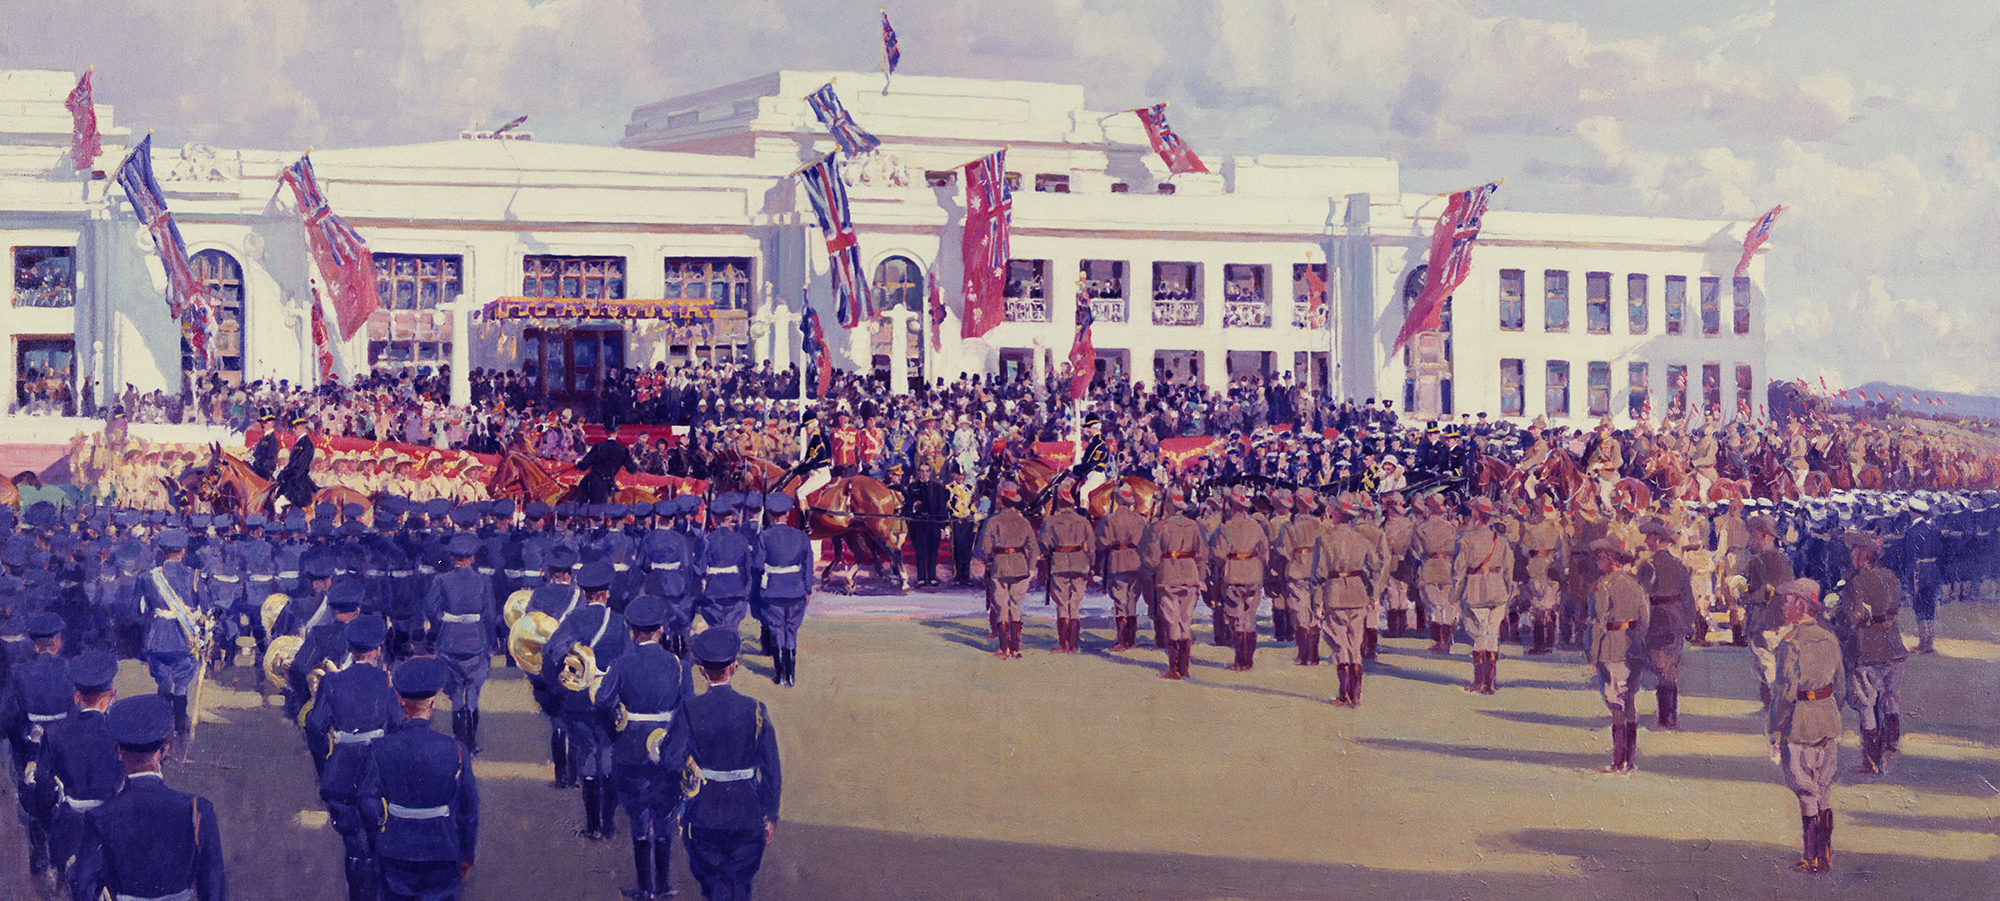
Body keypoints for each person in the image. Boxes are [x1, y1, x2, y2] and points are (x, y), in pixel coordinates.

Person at [68, 695, 226, 901]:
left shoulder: (101, 817)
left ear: (119, 752)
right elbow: (213, 885)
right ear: (165, 750)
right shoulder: (197, 809)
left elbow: (83, 887)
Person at [594, 596, 690, 901]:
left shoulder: (622, 664)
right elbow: (686, 711)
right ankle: (664, 886)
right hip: (666, 752)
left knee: (637, 819)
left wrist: (616, 731)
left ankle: (645, 888)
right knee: (664, 818)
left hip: (629, 749)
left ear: (632, 631)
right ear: (661, 630)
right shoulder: (679, 666)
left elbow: (601, 702)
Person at [361, 656, 480, 901]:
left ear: (399, 701)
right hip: (442, 850)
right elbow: (469, 811)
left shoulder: (380, 748)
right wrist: (467, 854)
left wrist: (377, 841)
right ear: (433, 703)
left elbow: (367, 800)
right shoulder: (455, 749)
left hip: (394, 847)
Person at [301, 615, 399, 901]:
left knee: (351, 845)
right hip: (377, 773)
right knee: (376, 840)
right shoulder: (386, 681)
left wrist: (325, 764)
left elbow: (314, 726)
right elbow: (396, 725)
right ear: (378, 649)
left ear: (350, 649)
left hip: (341, 769)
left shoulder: (332, 682)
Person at [681, 628, 782, 901]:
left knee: (712, 886)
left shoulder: (688, 709)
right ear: (734, 667)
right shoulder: (755, 709)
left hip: (703, 811)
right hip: (747, 811)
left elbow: (671, 760)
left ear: (702, 671)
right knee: (741, 886)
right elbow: (771, 770)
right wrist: (770, 814)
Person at [543, 561, 633, 841]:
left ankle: (592, 825)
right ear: (606, 592)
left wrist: (560, 688)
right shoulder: (619, 622)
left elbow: (551, 653)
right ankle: (609, 824)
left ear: (582, 592)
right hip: (609, 699)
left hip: (578, 700)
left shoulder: (573, 621)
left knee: (586, 759)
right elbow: (629, 663)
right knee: (608, 755)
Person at [1770, 579, 1845, 873]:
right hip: (1827, 721)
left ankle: (1810, 856)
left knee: (1805, 792)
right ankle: (1825, 854)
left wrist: (1776, 730)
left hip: (1799, 723)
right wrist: (1828, 709)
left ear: (1800, 605)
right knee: (1823, 789)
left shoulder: (1791, 644)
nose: (1783, 605)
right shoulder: (1830, 639)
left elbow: (1785, 692)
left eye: (1787, 600)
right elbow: (1840, 686)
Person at [5, 613, 73, 884]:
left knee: (33, 802)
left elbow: (8, 715)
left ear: (34, 645)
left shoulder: (18, 672)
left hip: (29, 748)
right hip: (64, 747)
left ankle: (40, 856)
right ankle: (61, 857)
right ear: (57, 642)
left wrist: (21, 739)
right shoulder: (71, 670)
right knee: (63, 797)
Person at [1835, 532, 1905, 774]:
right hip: (1892, 646)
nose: (1851, 555)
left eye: (1854, 551)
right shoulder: (1890, 577)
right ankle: (1891, 740)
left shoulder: (1856, 581)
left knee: (1866, 703)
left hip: (1866, 648)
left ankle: (1872, 760)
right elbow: (1894, 608)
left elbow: (1854, 616)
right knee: (1888, 696)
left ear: (1863, 555)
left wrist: (1837, 613)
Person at [426, 533, 498, 754]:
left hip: (449, 641)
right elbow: (490, 614)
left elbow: (430, 609)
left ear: (452, 557)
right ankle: (471, 743)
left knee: (456, 695)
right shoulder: (483, 581)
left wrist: (444, 622)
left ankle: (459, 742)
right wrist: (491, 643)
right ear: (472, 557)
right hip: (476, 641)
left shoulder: (441, 580)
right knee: (473, 696)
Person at [137, 527, 204, 756]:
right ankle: (179, 723)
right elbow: (204, 607)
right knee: (183, 681)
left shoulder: (147, 577)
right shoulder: (194, 576)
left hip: (158, 638)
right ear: (183, 551)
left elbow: (139, 610)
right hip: (184, 638)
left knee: (163, 681)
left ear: (162, 551)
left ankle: (165, 723)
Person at [1586, 538, 1647, 773]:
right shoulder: (1636, 585)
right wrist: (1637, 641)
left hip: (1610, 648)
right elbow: (1645, 618)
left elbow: (1597, 622)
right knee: (1629, 699)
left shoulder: (1603, 586)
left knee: (1614, 703)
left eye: (1600, 557)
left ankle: (1618, 760)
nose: (1598, 562)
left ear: (1610, 559)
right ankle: (1629, 760)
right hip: (1632, 647)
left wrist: (1592, 655)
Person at [1313, 495, 1377, 706]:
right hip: (1358, 595)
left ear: (1338, 514)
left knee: (1340, 645)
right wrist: (1372, 594)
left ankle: (1344, 694)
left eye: (1333, 510)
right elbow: (1375, 568)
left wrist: (1317, 602)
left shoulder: (1324, 540)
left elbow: (1319, 574)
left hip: (1335, 594)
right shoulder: (1363, 540)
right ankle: (1356, 695)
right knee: (1355, 644)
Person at [1637, 518, 1696, 730]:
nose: (1646, 540)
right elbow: (1689, 599)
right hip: (1676, 620)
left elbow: (1639, 597)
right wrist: (1689, 624)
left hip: (1656, 620)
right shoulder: (1679, 566)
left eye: (1649, 536)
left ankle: (1667, 715)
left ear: (1657, 538)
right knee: (1669, 667)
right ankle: (1669, 714)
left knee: (1662, 669)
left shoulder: (1646, 566)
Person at [1453, 497, 1514, 694]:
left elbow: (1459, 572)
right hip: (1498, 592)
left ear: (1476, 515)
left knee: (1479, 637)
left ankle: (1479, 682)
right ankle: (1491, 683)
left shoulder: (1465, 540)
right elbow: (1509, 571)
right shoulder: (1502, 541)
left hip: (1475, 591)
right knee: (1492, 636)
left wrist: (1455, 597)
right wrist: (1508, 591)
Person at [752, 493, 814, 686]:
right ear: (787, 514)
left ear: (770, 515)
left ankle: (780, 675)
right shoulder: (801, 537)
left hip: (773, 590)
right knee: (792, 631)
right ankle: (791, 675)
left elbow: (757, 566)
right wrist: (808, 589)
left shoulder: (763, 536)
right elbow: (808, 566)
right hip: (796, 590)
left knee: (777, 629)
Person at [1142, 489, 1203, 680]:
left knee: (1171, 621)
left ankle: (1174, 669)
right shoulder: (1193, 525)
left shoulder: (1161, 526)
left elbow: (1152, 557)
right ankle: (1184, 667)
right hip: (1190, 575)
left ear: (1168, 505)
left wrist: (1149, 569)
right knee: (1185, 621)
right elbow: (1201, 553)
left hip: (1168, 575)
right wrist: (1200, 576)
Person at [974, 483, 1039, 659]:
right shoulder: (1023, 521)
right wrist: (1031, 567)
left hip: (999, 566)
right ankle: (1016, 649)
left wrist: (989, 561)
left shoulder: (993, 521)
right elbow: (1034, 548)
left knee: (1001, 607)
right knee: (1015, 607)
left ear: (1001, 500)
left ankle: (1004, 649)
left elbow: (984, 547)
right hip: (1020, 566)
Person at [1211, 488, 1268, 671]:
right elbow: (1265, 551)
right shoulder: (1256, 526)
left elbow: (1219, 555)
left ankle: (1240, 660)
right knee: (1249, 618)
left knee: (1236, 618)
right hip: (1253, 574)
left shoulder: (1225, 527)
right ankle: (1247, 661)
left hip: (1234, 574)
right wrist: (1258, 565)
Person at [1040, 487, 1095, 654]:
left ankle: (1063, 644)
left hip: (1059, 563)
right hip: (1080, 564)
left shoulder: (1050, 521)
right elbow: (1091, 547)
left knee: (1062, 605)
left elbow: (1043, 543)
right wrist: (1091, 565)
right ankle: (1073, 645)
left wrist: (1048, 552)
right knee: (1075, 605)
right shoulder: (1083, 521)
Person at [1096, 484, 1148, 652]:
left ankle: (1122, 640)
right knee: (1132, 600)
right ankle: (1131, 640)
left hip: (1117, 561)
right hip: (1136, 561)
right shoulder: (1140, 519)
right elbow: (1145, 542)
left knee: (1120, 601)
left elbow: (1102, 542)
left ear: (1117, 499)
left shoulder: (1109, 519)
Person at [903, 463, 947, 588]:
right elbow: (907, 506)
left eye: (927, 471)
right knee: (920, 552)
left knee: (933, 551)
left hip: (933, 524)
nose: (924, 473)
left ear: (930, 472)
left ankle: (932, 577)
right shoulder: (912, 487)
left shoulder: (938, 487)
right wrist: (913, 506)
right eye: (921, 471)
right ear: (918, 472)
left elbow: (942, 508)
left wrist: (943, 527)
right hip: (918, 525)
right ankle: (921, 578)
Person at [276, 414, 319, 514]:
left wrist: (285, 474)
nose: (294, 430)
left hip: (299, 483)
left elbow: (300, 468)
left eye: (296, 427)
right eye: (293, 428)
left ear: (303, 426)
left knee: (278, 504)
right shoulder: (299, 443)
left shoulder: (306, 444)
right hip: (293, 480)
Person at [946, 468, 979, 587]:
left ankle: (966, 576)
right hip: (956, 520)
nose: (960, 477)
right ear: (953, 474)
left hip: (968, 521)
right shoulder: (949, 488)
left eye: (962, 475)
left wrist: (971, 511)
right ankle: (957, 576)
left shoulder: (970, 488)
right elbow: (948, 505)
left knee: (967, 549)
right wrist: (956, 514)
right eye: (957, 474)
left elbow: (975, 501)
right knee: (957, 548)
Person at [250, 412, 282, 480]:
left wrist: (256, 464)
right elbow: (256, 454)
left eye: (265, 422)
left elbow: (270, 462)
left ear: (272, 423)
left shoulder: (272, 440)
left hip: (264, 475)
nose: (262, 425)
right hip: (257, 471)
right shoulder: (263, 439)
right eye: (261, 422)